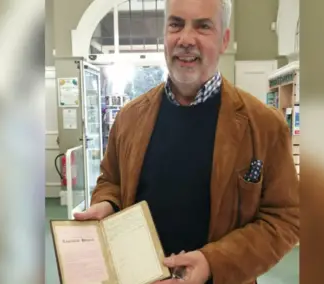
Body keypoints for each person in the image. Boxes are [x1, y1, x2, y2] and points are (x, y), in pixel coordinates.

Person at [74, 0, 299, 283]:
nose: (186, 39)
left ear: (224, 40)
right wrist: (108, 205)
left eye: (203, 26)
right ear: (164, 35)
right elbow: (111, 181)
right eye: (176, 24)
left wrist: (212, 263)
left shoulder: (264, 125)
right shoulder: (129, 118)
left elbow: (284, 219)